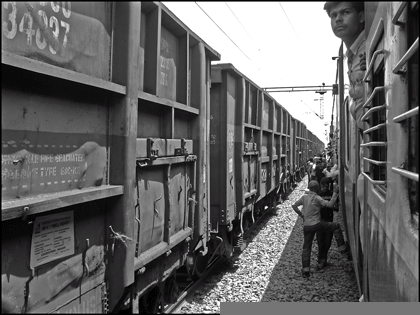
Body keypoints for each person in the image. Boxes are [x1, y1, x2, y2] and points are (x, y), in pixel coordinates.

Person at [324, 1, 366, 253]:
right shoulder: (352, 54)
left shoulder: (363, 51)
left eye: (345, 12)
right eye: (333, 15)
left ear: (362, 15)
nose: (338, 19)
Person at [292, 180, 348, 278]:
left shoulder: (304, 197)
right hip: (317, 224)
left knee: (306, 248)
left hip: (307, 226)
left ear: (309, 188)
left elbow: (294, 205)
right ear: (317, 188)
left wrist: (302, 215)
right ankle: (342, 247)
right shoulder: (317, 198)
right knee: (336, 226)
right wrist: (335, 193)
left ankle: (305, 270)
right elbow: (330, 205)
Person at [316, 177, 339, 270]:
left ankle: (323, 259)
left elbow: (337, 208)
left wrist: (329, 205)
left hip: (329, 221)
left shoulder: (331, 195)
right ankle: (321, 260)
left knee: (328, 242)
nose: (324, 187)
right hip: (320, 221)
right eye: (323, 185)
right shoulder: (318, 195)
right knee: (321, 241)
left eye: (326, 185)